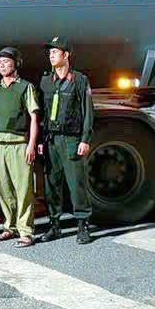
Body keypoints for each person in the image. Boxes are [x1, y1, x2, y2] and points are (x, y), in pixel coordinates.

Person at [38, 36, 95, 245]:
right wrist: (41, 140)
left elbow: (87, 111)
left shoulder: (79, 80)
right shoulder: (46, 80)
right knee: (51, 184)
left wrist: (85, 139)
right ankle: (55, 226)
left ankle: (83, 226)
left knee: (77, 183)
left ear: (66, 55)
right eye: (50, 52)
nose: (51, 55)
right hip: (51, 140)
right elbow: (43, 113)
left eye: (55, 51)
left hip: (71, 140)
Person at [0, 46, 40, 247]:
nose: (2, 66)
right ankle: (10, 226)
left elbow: (34, 117)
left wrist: (32, 144)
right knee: (4, 188)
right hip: (0, 145)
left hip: (19, 143)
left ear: (16, 64)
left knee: (23, 187)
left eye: (6, 62)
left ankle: (26, 231)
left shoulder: (25, 87)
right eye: (0, 63)